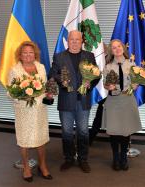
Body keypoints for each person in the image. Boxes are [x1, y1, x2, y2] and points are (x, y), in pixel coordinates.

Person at [50, 30, 99, 173]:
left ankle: (83, 159)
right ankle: (68, 158)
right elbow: (52, 74)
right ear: (68, 41)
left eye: (77, 39)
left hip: (83, 101)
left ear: (82, 41)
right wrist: (61, 81)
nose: (75, 42)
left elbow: (96, 75)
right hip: (66, 101)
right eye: (72, 39)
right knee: (66, 132)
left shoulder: (89, 56)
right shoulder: (59, 57)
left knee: (83, 132)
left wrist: (91, 84)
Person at [7, 41, 52, 182]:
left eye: (30, 52)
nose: (28, 55)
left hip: (39, 110)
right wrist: (21, 95)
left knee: (41, 139)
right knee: (24, 140)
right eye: (25, 53)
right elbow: (10, 93)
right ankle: (26, 167)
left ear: (35, 54)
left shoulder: (41, 67)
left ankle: (42, 165)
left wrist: (49, 94)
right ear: (20, 55)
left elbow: (44, 87)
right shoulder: (15, 70)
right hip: (23, 111)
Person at [102, 39, 142, 171]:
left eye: (119, 46)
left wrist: (135, 85)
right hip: (113, 101)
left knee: (125, 131)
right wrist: (109, 86)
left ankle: (124, 157)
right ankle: (115, 158)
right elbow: (105, 84)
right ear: (111, 51)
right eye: (114, 47)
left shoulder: (131, 64)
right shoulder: (108, 66)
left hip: (127, 100)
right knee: (114, 131)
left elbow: (136, 80)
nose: (117, 49)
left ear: (123, 48)